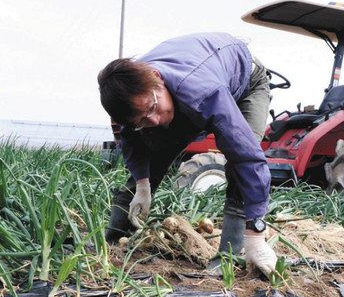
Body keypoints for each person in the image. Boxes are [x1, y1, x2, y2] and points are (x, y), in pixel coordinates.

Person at [97, 32, 278, 276]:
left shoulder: (202, 91)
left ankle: (229, 254)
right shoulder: (127, 100)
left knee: (238, 162)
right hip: (191, 79)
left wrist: (256, 229)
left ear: (157, 79)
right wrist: (142, 184)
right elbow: (132, 141)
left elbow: (247, 157)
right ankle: (115, 236)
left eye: (152, 108)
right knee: (153, 141)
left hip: (247, 81)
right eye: (141, 120)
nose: (155, 119)